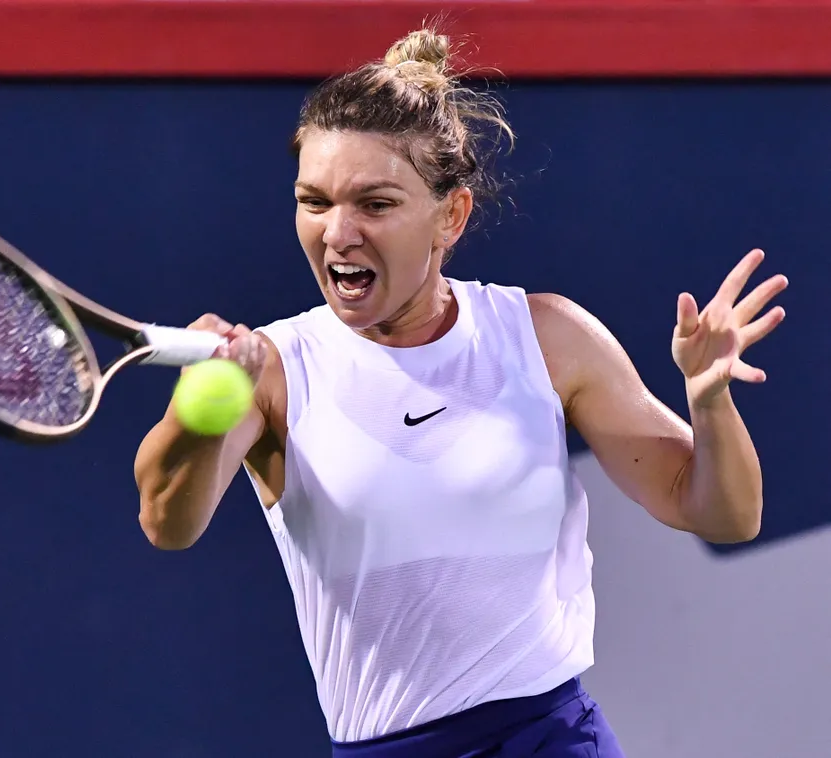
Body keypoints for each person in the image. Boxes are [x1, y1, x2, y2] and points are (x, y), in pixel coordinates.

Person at [131, 25, 787, 758]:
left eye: (373, 205)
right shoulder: (276, 369)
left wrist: (708, 401)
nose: (337, 232)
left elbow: (725, 515)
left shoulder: (545, 337)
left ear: (450, 215)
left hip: (546, 741)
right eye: (312, 202)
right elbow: (167, 522)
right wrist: (198, 410)